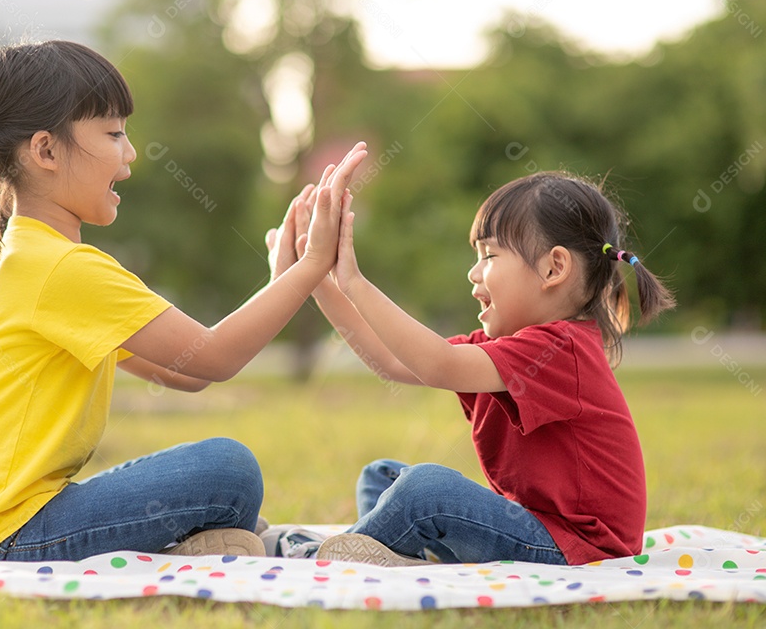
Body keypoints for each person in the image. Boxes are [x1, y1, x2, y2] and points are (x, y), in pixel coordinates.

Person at [0, 40, 366, 563]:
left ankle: (215, 541)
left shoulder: (36, 260)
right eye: (113, 134)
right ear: (45, 151)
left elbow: (188, 372)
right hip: (1, 537)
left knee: (219, 473)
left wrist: (279, 280)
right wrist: (312, 265)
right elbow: (215, 357)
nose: (130, 156)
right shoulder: (61, 269)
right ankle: (232, 540)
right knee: (228, 470)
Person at [269, 170, 675, 566]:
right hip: (535, 530)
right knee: (383, 478)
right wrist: (314, 276)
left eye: (489, 255)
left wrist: (352, 279)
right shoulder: (511, 348)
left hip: (580, 548)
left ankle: (327, 557)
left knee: (425, 490)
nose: (473, 272)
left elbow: (436, 364)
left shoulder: (560, 350)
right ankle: (392, 554)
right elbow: (392, 359)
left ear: (554, 268)